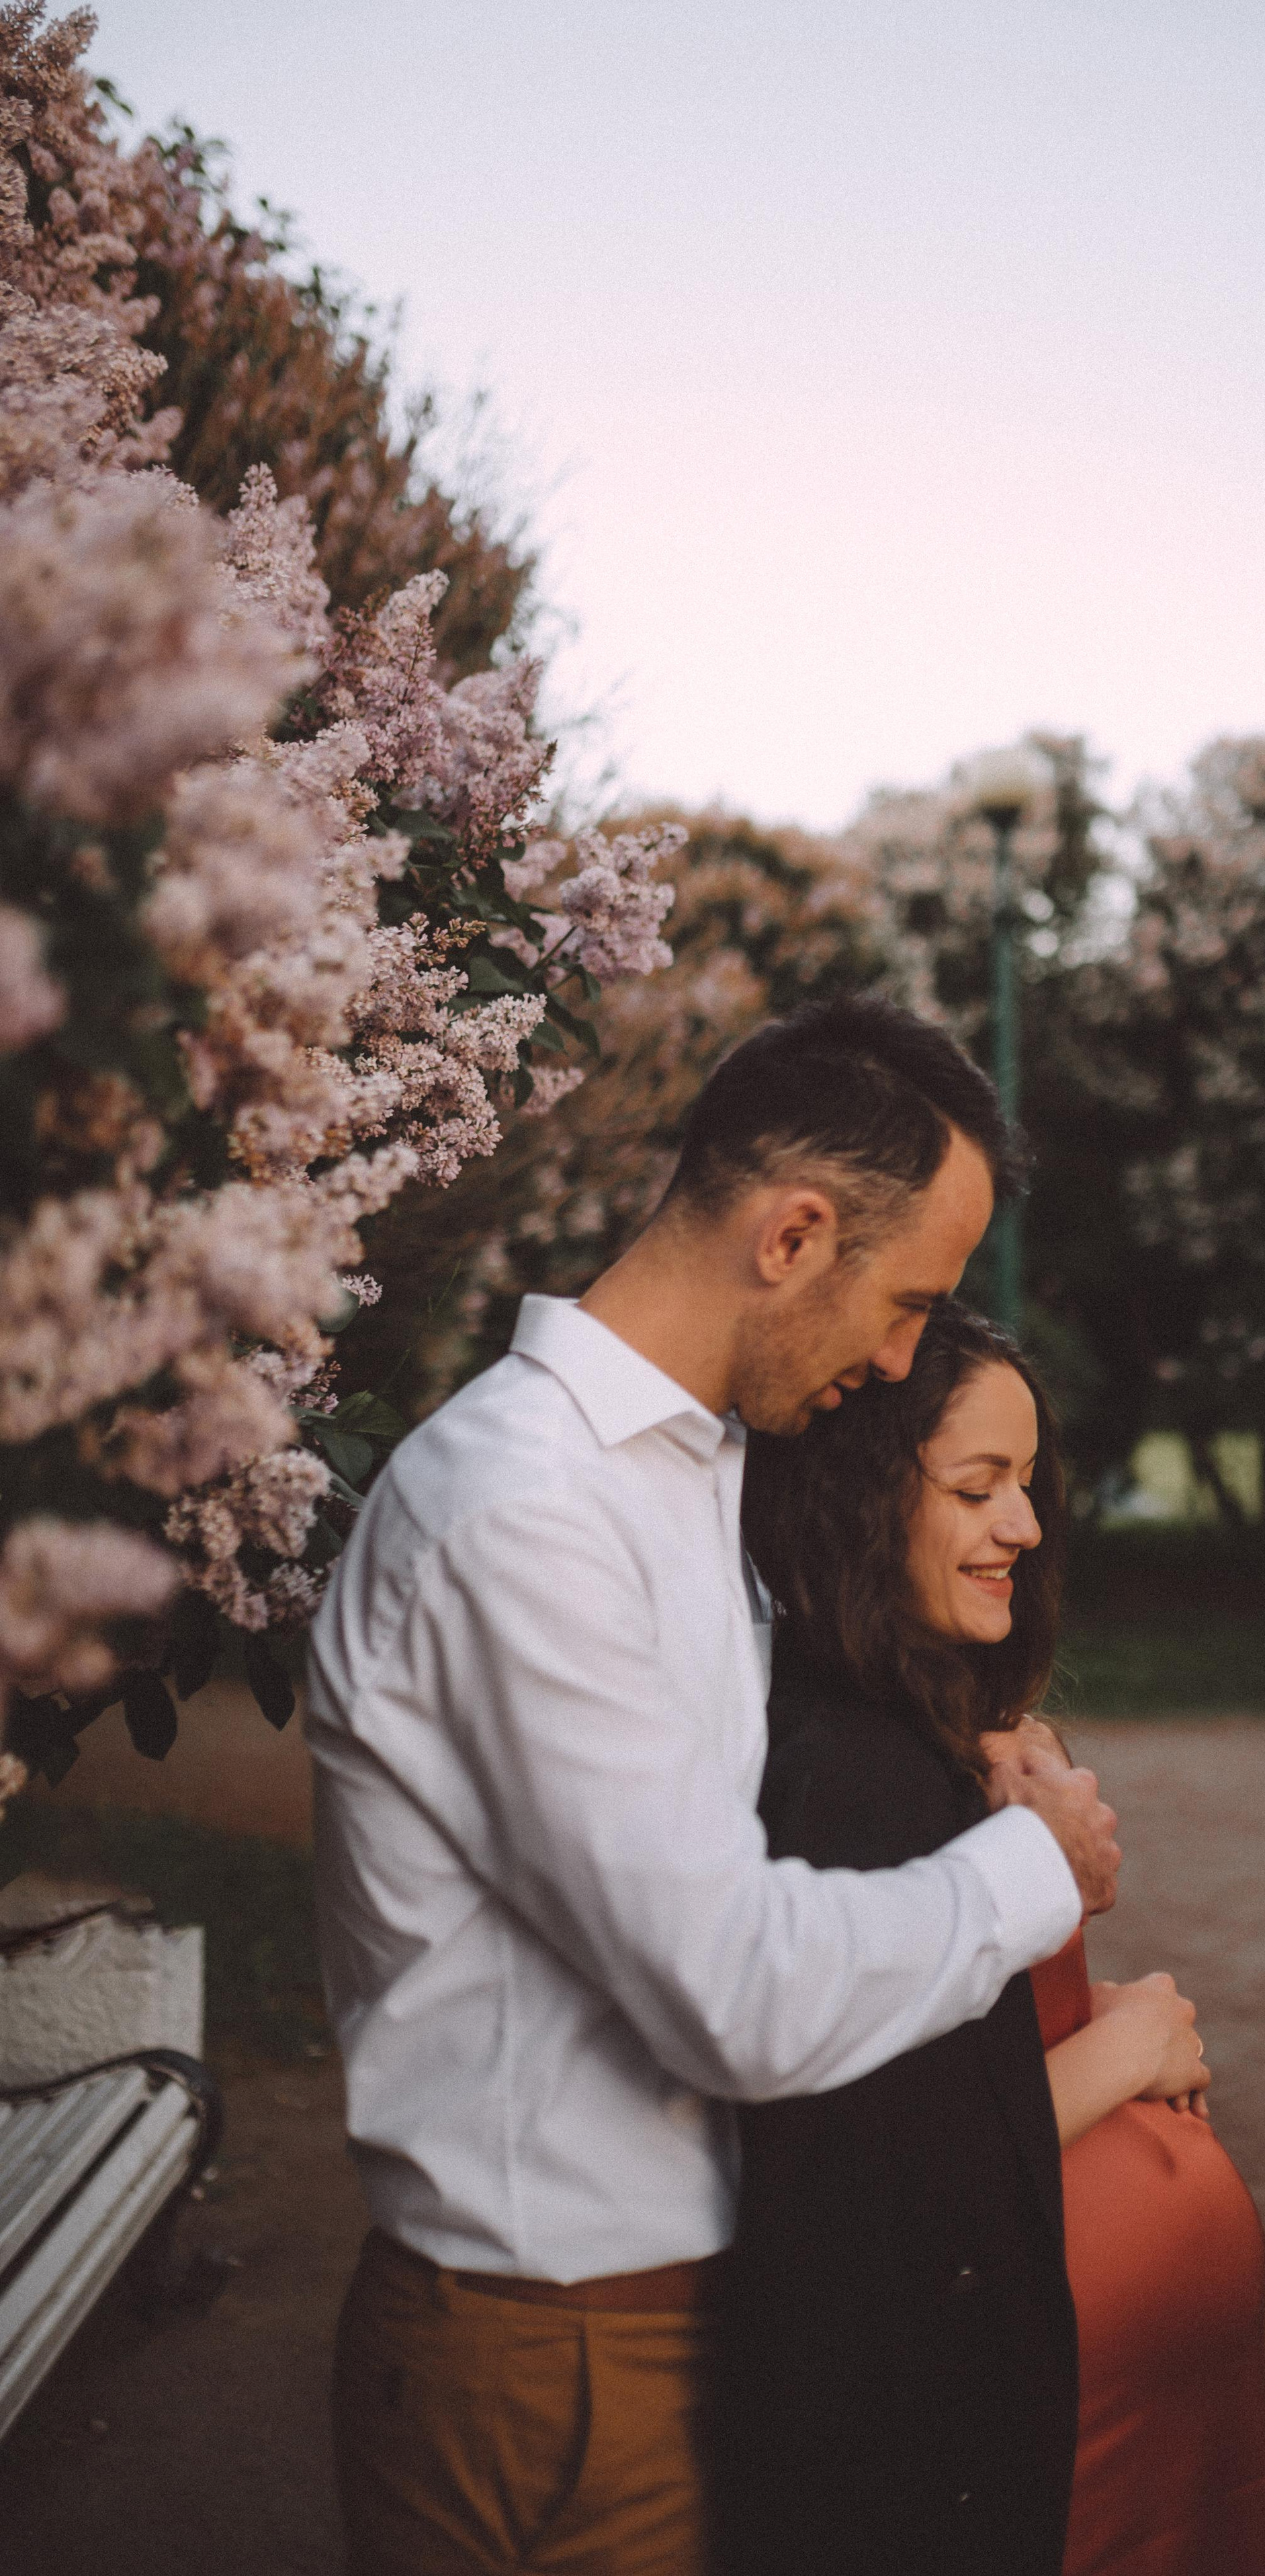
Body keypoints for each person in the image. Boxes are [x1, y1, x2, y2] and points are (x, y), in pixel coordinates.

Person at [306, 997, 1123, 2576]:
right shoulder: (522, 1512)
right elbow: (725, 1988)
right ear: (792, 1235)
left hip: (691, 2313)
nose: (904, 1358)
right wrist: (1031, 1867)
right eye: (906, 1303)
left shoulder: (688, 1475)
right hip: (549, 2352)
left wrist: (959, 1750)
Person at [728, 1301, 1265, 2576]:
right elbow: (876, 2169)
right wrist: (1129, 2046)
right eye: (979, 1485)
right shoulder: (843, 1775)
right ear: (858, 1502)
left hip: (1093, 2401)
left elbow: (954, 2048)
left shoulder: (953, 1738)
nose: (1026, 1525)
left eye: (1027, 1483)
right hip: (981, 2431)